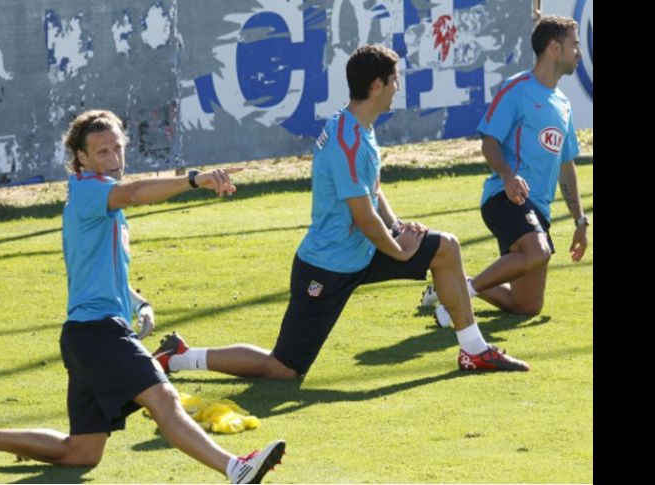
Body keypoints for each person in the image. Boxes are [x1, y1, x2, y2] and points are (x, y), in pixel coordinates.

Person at [0, 109, 285, 484]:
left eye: (117, 149)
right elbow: (135, 193)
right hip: (100, 334)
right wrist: (195, 180)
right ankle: (237, 469)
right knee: (164, 400)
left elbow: (96, 273)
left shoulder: (94, 198)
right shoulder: (91, 191)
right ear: (81, 158)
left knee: (82, 451)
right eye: (102, 152)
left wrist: (138, 303)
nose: (114, 159)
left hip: (84, 338)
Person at [150, 45, 529, 378]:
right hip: (326, 268)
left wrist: (397, 228)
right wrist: (400, 251)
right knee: (283, 368)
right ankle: (181, 357)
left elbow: (372, 192)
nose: (398, 87)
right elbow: (363, 218)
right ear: (377, 85)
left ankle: (474, 350)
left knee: (446, 247)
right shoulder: (348, 141)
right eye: (394, 80)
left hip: (363, 252)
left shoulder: (359, 126)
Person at [421, 16, 590, 328]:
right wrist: (508, 176)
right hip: (505, 198)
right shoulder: (516, 88)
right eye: (575, 45)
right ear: (554, 48)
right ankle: (458, 300)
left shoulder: (564, 104)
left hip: (537, 211)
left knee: (527, 305)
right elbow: (489, 142)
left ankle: (454, 283)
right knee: (538, 251)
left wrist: (580, 221)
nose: (579, 52)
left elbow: (567, 167)